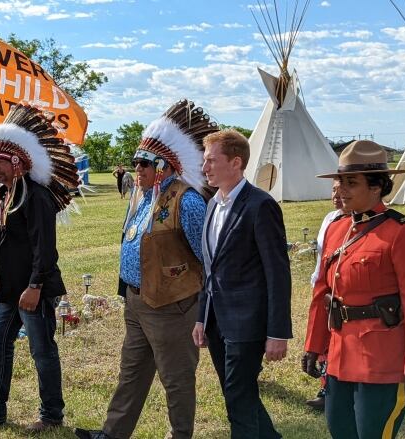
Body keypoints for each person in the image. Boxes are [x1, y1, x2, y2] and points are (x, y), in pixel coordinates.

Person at [75, 100, 216, 439]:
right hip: (137, 302)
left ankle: (180, 435)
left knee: (176, 377)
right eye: (136, 163)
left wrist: (205, 312)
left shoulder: (188, 201)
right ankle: (113, 433)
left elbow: (209, 260)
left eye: (144, 164)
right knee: (132, 372)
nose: (136, 170)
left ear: (165, 166)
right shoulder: (143, 197)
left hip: (173, 305)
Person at [0, 103, 79, 432]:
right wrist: (0, 282)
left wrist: (36, 287)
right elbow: (8, 244)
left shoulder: (36, 196)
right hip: (10, 290)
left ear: (15, 161)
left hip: (33, 291)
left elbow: (45, 248)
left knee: (42, 351)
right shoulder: (7, 193)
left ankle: (51, 415)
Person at [302, 140, 405, 439]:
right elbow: (323, 294)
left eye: (352, 182)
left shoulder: (402, 233)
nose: (341, 190)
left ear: (376, 187)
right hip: (339, 356)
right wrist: (313, 344)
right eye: (340, 181)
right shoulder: (337, 228)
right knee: (341, 432)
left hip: (382, 360)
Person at [192, 129, 291, 439]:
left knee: (237, 398)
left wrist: (278, 332)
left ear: (236, 162)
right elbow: (210, 269)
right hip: (217, 322)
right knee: (238, 393)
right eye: (204, 160)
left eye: (211, 160)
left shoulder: (260, 205)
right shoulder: (211, 205)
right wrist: (201, 317)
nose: (204, 167)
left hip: (247, 324)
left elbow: (278, 273)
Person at [306, 179, 345, 410]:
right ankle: (325, 387)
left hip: (342, 292)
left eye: (342, 191)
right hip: (322, 286)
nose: (337, 195)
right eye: (334, 190)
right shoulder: (330, 219)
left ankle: (335, 389)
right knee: (323, 341)